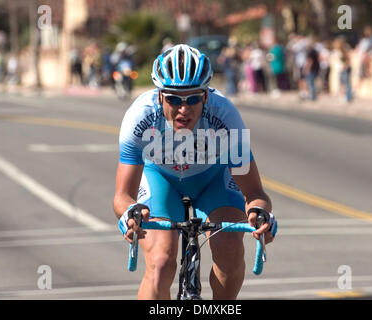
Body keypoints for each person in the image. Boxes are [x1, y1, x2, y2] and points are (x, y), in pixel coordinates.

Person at [113, 44, 276, 300]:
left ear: (206, 96)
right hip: (161, 180)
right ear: (159, 96)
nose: (183, 109)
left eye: (193, 99)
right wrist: (131, 212)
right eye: (174, 99)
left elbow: (255, 192)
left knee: (230, 251)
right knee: (160, 263)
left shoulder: (226, 115)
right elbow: (122, 196)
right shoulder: (139, 117)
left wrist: (260, 213)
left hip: (213, 181)